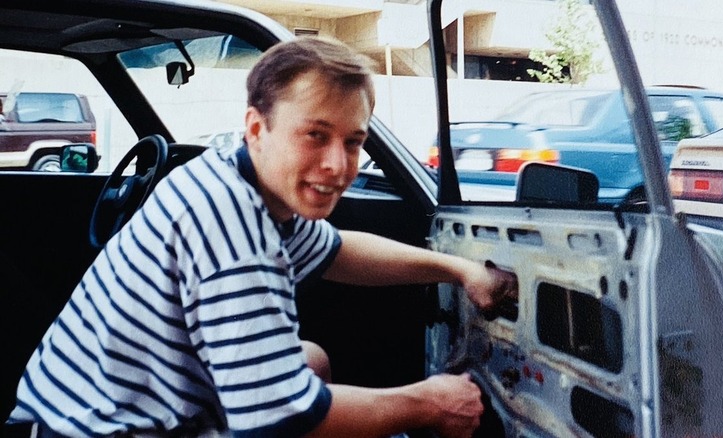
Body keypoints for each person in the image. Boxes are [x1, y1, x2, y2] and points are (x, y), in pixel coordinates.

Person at [7, 36, 518, 437]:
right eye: (315, 135)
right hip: (101, 431)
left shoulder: (238, 173)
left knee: (311, 359)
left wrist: (459, 268)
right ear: (257, 127)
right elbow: (280, 419)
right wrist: (430, 403)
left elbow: (336, 251)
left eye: (353, 141)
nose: (338, 165)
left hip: (86, 412)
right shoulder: (230, 228)